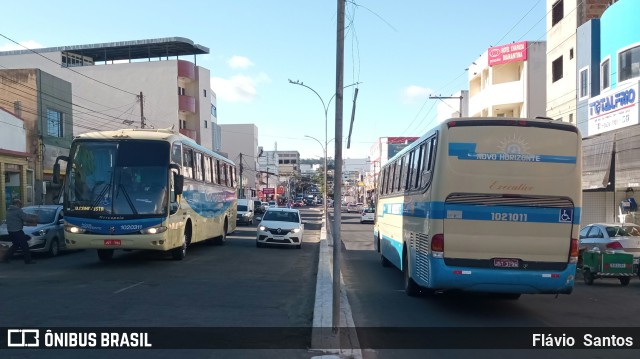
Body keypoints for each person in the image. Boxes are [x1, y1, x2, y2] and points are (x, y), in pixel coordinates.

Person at [2, 199, 37, 264]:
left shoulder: (8, 210)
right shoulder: (18, 210)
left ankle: (6, 258)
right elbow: (25, 218)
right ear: (17, 204)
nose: (21, 205)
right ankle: (28, 260)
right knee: (25, 245)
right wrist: (33, 220)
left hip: (10, 231)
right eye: (20, 204)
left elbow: (15, 220)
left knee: (16, 245)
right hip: (17, 231)